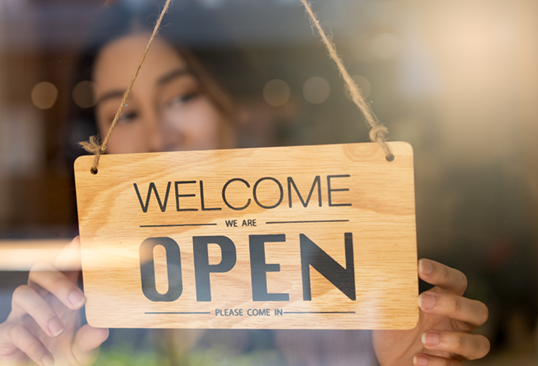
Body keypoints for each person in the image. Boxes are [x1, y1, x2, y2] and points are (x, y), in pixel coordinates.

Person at [0, 2, 490, 365]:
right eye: (123, 112)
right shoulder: (81, 313)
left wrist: (405, 361)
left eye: (180, 97)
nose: (158, 135)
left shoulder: (338, 298)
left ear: (236, 108)